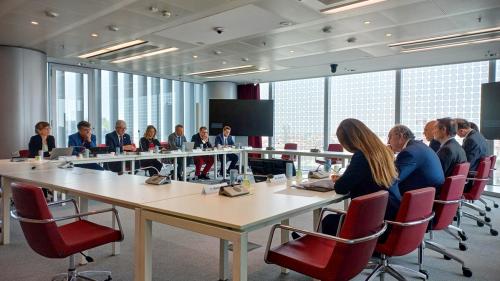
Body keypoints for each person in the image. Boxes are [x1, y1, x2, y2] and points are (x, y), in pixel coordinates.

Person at [320, 119, 401, 236]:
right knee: (337, 218)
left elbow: (341, 188)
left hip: (375, 224)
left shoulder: (362, 155)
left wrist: (342, 180)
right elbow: (368, 177)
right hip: (390, 217)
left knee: (329, 221)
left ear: (349, 141)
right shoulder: (384, 151)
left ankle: (313, 249)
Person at [388, 125, 444, 194]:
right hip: (431, 192)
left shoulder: (409, 152)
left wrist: (386, 156)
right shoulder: (419, 146)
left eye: (389, 137)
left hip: (422, 197)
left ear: (400, 136)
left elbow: (393, 178)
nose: (388, 142)